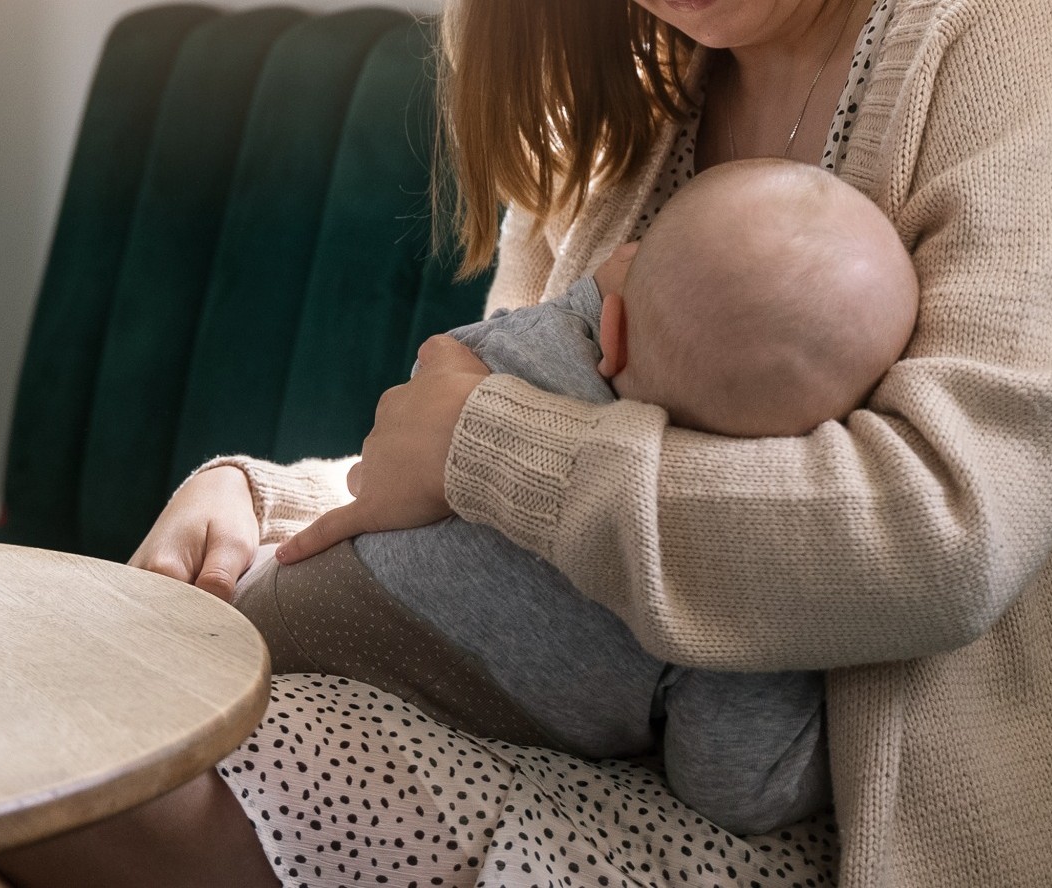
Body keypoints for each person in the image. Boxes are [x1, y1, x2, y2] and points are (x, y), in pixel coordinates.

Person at [0, 0, 1052, 884]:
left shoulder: (1004, 40)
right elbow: (496, 436)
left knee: (16, 791)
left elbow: (939, 533)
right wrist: (262, 494)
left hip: (817, 836)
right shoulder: (656, 85)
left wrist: (488, 447)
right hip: (548, 727)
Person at [231, 157, 919, 838]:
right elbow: (739, 792)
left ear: (611, 330)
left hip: (285, 609)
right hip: (378, 727)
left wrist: (600, 295)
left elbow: (434, 376)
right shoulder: (729, 597)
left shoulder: (546, 349)